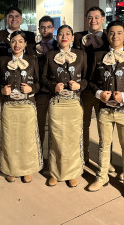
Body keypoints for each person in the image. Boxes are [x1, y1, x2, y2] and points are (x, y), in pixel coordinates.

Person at [88, 20, 124, 202]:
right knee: (104, 145)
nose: (115, 36)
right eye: (112, 33)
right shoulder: (99, 57)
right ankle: (102, 176)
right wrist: (99, 93)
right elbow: (91, 83)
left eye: (119, 33)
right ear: (107, 36)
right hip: (105, 110)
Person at [42, 25, 87, 188]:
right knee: (56, 139)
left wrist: (79, 85)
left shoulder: (81, 55)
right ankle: (55, 172)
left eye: (68, 34)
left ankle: (72, 172)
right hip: (57, 103)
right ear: (57, 37)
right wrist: (53, 86)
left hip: (74, 103)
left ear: (73, 37)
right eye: (60, 34)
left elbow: (87, 79)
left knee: (73, 139)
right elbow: (44, 79)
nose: (64, 37)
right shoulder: (50, 55)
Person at [0, 30, 42, 183]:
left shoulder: (33, 59)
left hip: (27, 105)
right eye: (14, 41)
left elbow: (38, 82)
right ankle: (11, 168)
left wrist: (32, 89)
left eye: (20, 41)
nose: (17, 44)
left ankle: (27, 168)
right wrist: (2, 89)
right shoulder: (2, 60)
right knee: (10, 138)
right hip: (9, 105)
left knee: (27, 139)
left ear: (25, 44)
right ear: (10, 43)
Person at [73, 6, 113, 171]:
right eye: (90, 17)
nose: (93, 20)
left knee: (105, 127)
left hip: (103, 88)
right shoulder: (78, 37)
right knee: (83, 125)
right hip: (83, 87)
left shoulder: (109, 37)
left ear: (103, 19)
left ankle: (106, 160)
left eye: (97, 17)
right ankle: (84, 156)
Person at [34, 16, 59, 150]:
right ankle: (38, 157)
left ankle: (53, 158)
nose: (46, 30)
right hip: (40, 92)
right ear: (39, 29)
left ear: (53, 29)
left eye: (49, 27)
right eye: (43, 27)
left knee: (56, 126)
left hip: (56, 90)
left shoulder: (60, 46)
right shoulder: (33, 48)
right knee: (39, 125)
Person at [0, 6, 36, 73]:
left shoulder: (29, 35)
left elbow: (32, 55)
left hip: (26, 71)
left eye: (17, 16)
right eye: (11, 16)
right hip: (3, 71)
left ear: (21, 19)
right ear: (6, 18)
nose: (14, 19)